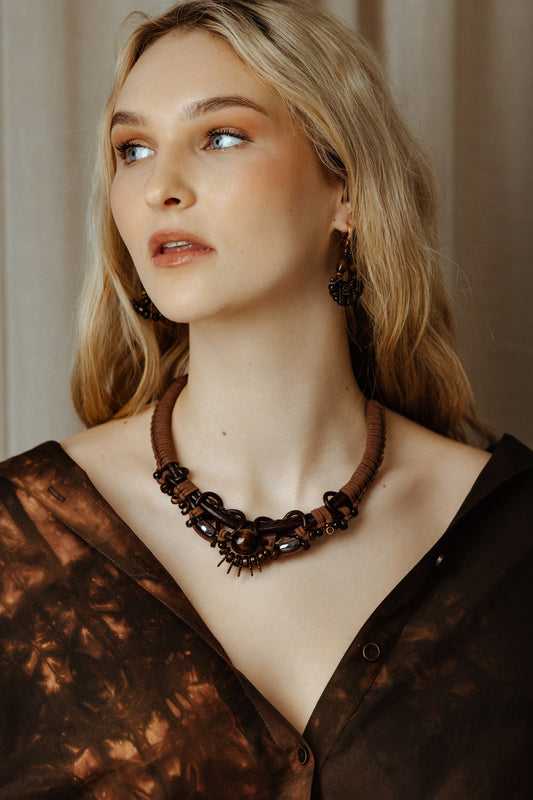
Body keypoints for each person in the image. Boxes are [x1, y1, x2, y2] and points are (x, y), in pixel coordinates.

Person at [0, 1, 531, 797]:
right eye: (132, 149)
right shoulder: (19, 545)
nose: (159, 189)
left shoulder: (512, 544)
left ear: (343, 193)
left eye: (220, 137)